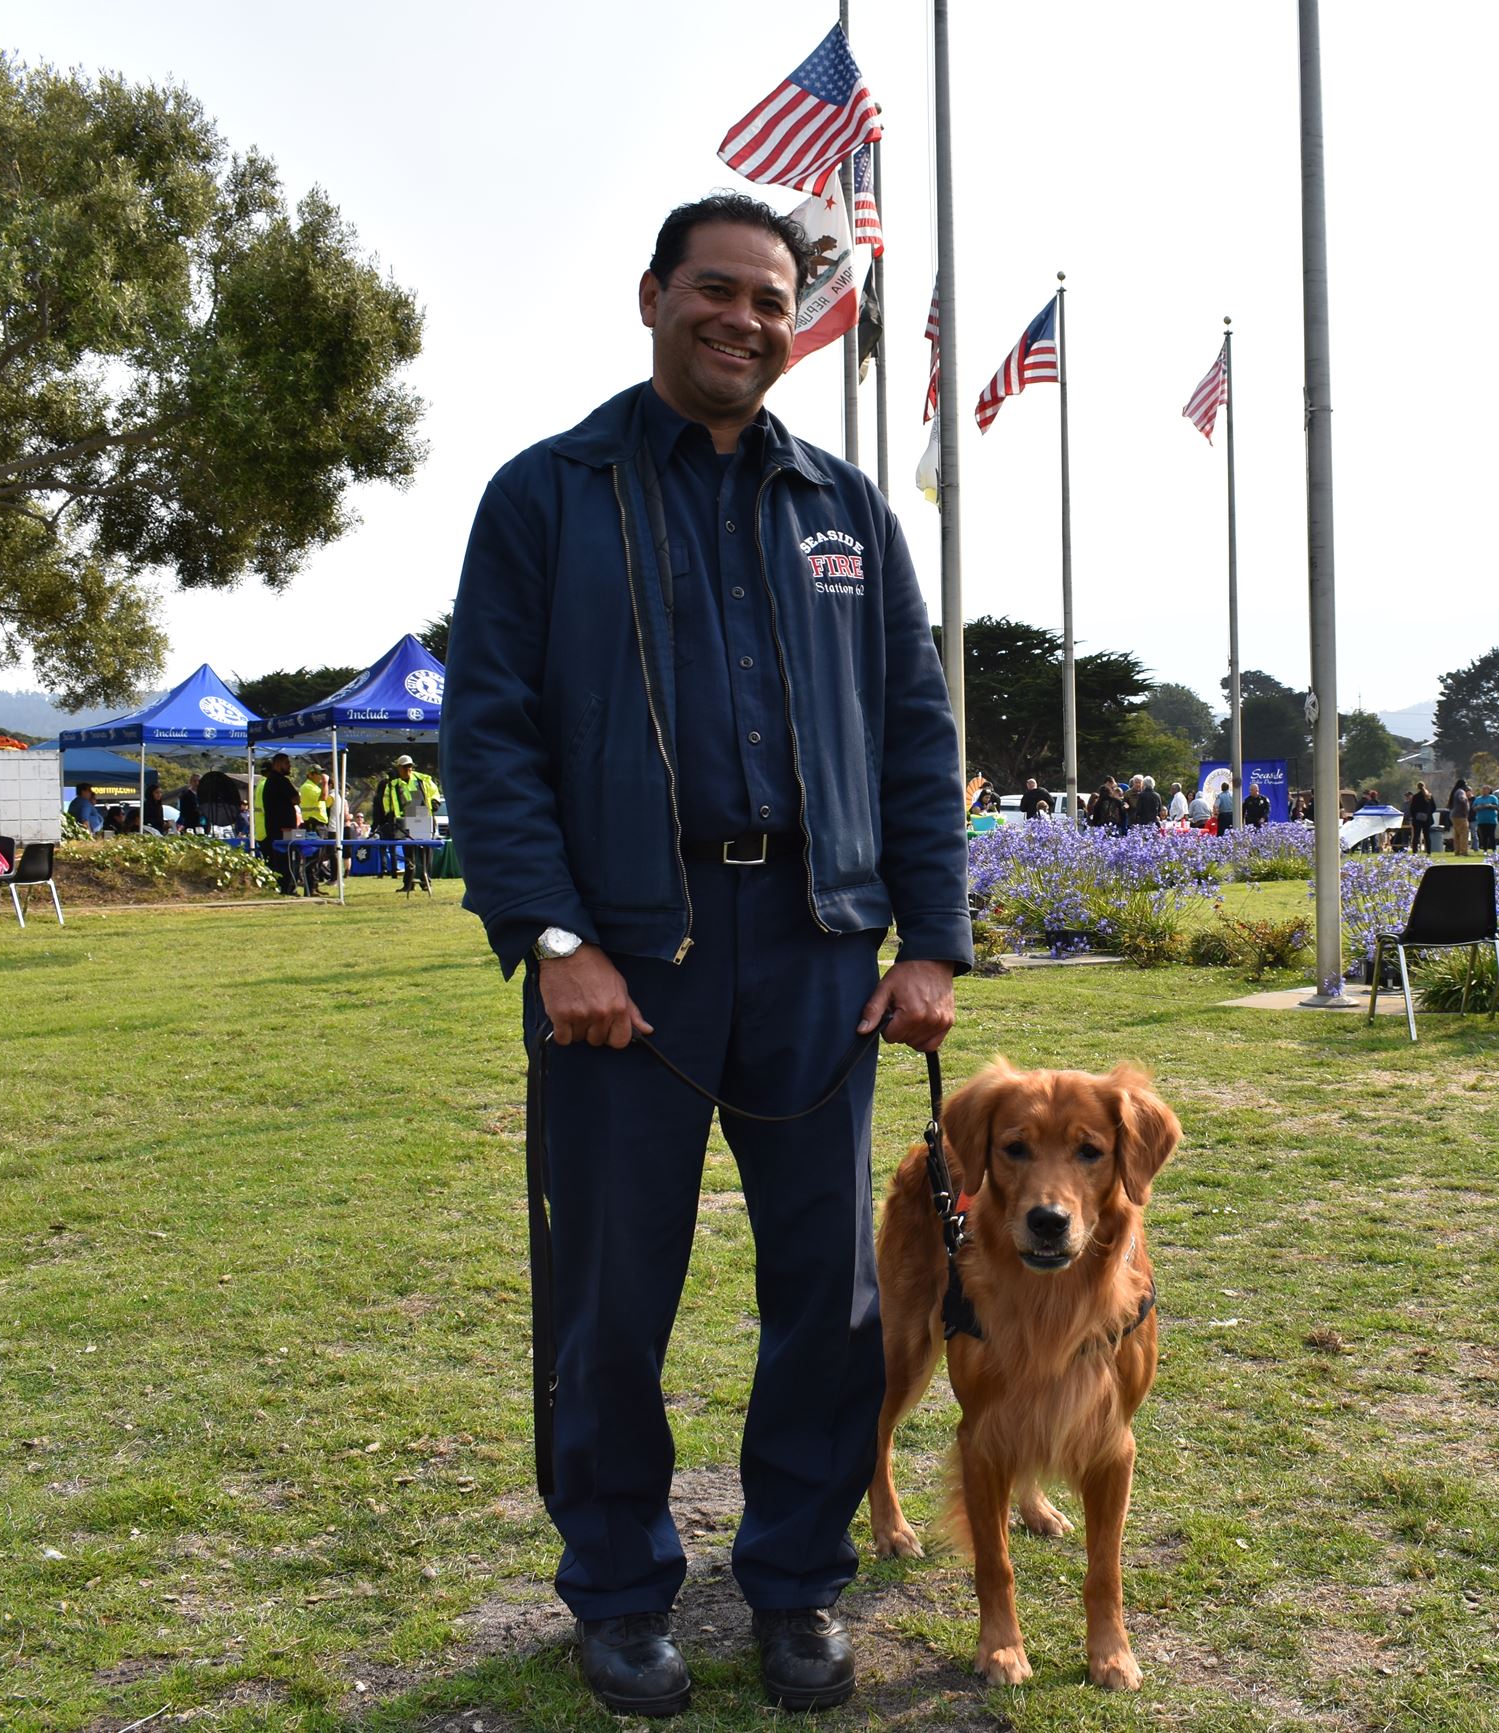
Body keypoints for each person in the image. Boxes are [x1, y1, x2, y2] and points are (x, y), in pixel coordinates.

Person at [442, 192, 967, 1719]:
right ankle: (616, 1593)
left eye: (772, 298)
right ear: (655, 295)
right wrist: (552, 938)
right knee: (613, 1292)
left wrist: (930, 938)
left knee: (833, 1297)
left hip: (816, 950)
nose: (746, 317)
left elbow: (916, 736)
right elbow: (492, 735)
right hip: (626, 962)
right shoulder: (550, 498)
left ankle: (795, 1584)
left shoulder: (847, 513)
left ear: (799, 322)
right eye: (718, 290)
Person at [380, 754, 442, 891]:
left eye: (410, 766)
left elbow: (434, 791)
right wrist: (389, 813)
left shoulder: (422, 779)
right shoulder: (393, 785)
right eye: (405, 766)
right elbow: (386, 800)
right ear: (399, 768)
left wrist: (435, 801)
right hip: (404, 818)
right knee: (409, 853)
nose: (408, 769)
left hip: (422, 815)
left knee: (425, 852)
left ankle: (426, 882)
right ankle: (408, 884)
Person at [259, 754, 306, 894]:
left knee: (280, 860)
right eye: (287, 763)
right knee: (291, 858)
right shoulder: (281, 780)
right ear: (278, 763)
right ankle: (289, 887)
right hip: (285, 829)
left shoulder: (269, 781)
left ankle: (284, 886)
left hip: (274, 828)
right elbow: (297, 799)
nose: (289, 766)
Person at [1405, 781, 1437, 853]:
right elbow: (1434, 807)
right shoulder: (1429, 796)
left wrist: (1414, 816)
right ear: (1425, 786)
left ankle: (1415, 851)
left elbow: (1412, 808)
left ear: (1417, 788)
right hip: (1427, 819)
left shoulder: (1415, 797)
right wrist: (1428, 814)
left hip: (1417, 819)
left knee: (1416, 836)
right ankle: (1428, 851)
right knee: (1427, 836)